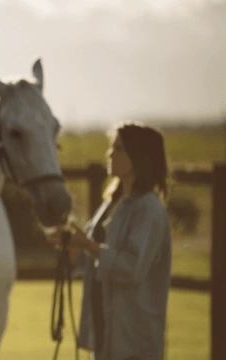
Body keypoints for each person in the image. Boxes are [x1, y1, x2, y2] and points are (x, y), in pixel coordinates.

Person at [48, 122, 172, 360]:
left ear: (139, 157)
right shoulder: (111, 204)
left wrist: (87, 245)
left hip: (133, 340)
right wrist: (72, 250)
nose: (110, 153)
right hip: (106, 332)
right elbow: (97, 262)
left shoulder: (148, 209)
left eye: (118, 148)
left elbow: (130, 268)